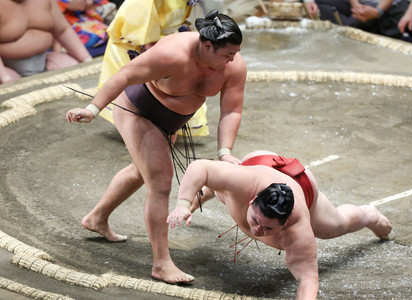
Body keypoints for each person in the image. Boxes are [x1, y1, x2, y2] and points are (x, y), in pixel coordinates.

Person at [65, 9, 246, 284]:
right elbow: (125, 75)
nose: (232, 59)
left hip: (172, 119)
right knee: (160, 181)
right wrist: (92, 108)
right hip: (139, 109)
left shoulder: (233, 65)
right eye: (226, 54)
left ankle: (97, 218)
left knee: (142, 171)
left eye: (235, 53)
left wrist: (225, 152)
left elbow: (231, 110)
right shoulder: (172, 53)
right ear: (207, 45)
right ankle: (161, 264)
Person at [167, 150, 392, 298]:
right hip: (257, 163)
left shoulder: (299, 229)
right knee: (223, 190)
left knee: (335, 225)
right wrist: (183, 204)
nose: (257, 230)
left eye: (267, 229)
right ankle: (199, 200)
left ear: (285, 224)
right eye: (256, 221)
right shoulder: (241, 184)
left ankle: (369, 216)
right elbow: (201, 168)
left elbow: (308, 279)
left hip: (301, 183)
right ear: (253, 200)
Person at [97, 0, 209, 137]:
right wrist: (149, 43)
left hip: (168, 38)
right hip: (141, 38)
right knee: (136, 88)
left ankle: (158, 125)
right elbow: (138, 10)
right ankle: (134, 128)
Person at [0, 0, 92, 84]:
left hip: (44, 61)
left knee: (77, 69)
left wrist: (86, 59)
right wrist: (5, 77)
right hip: (7, 68)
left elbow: (63, 30)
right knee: (9, 89)